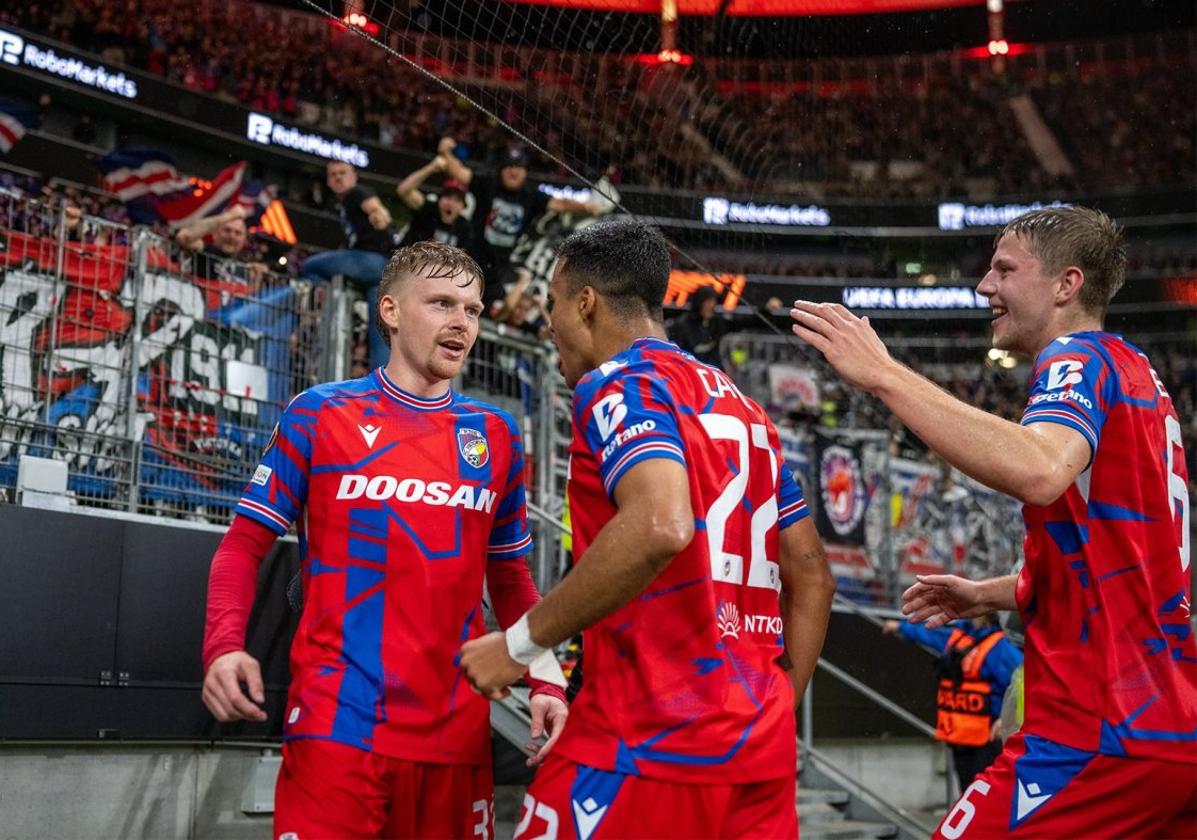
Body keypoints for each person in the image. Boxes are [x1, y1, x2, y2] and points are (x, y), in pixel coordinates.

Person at [790, 206, 1195, 838]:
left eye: (1005, 269)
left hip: (1098, 731)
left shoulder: (1075, 359)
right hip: (1170, 725)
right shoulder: (1141, 376)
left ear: (1066, 284)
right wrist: (990, 593)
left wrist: (884, 375)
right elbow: (1132, 561)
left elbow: (1038, 469)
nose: (985, 286)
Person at [460, 217, 836, 838]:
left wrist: (516, 644)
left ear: (585, 303)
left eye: (552, 304)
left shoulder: (619, 384)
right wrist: (774, 708)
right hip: (756, 752)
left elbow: (661, 524)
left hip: (645, 740)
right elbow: (814, 576)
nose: (547, 324)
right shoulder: (746, 410)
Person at [201, 241, 568, 839]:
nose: (461, 323)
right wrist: (222, 646)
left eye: (473, 310)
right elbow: (241, 547)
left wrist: (547, 678)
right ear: (390, 312)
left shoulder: (496, 436)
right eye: (442, 303)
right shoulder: (319, 413)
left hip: (456, 732)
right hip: (338, 725)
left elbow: (510, 577)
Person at [882, 614, 1023, 791]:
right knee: (966, 789)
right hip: (960, 733)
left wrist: (1005, 719)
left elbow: (1023, 683)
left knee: (985, 789)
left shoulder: (1000, 648)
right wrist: (900, 627)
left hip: (987, 737)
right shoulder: (958, 636)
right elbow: (930, 635)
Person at [458, 146, 600, 312]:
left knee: (490, 310)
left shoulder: (530, 194)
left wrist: (587, 207)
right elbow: (461, 174)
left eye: (518, 167)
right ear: (501, 170)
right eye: (509, 166)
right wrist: (445, 154)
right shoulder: (489, 184)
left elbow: (560, 204)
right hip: (472, 259)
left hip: (500, 269)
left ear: (525, 172)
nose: (514, 171)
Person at [299, 161, 401, 370]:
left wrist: (380, 216)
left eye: (342, 173)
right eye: (333, 175)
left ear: (354, 176)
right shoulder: (343, 203)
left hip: (369, 262)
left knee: (308, 266)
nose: (338, 178)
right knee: (380, 331)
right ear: (328, 180)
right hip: (384, 272)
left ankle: (321, 303)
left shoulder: (357, 193)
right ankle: (384, 387)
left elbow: (376, 209)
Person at [395, 138, 475, 251]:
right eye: (447, 197)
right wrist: (431, 168)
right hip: (409, 264)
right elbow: (403, 190)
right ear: (440, 200)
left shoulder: (464, 228)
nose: (450, 204)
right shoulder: (428, 209)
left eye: (457, 200)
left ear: (462, 207)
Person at [175, 204, 268, 285]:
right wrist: (229, 216)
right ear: (215, 233)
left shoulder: (245, 268)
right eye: (227, 230)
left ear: (244, 239)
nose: (232, 236)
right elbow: (184, 237)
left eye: (238, 233)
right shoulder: (203, 249)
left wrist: (257, 279)